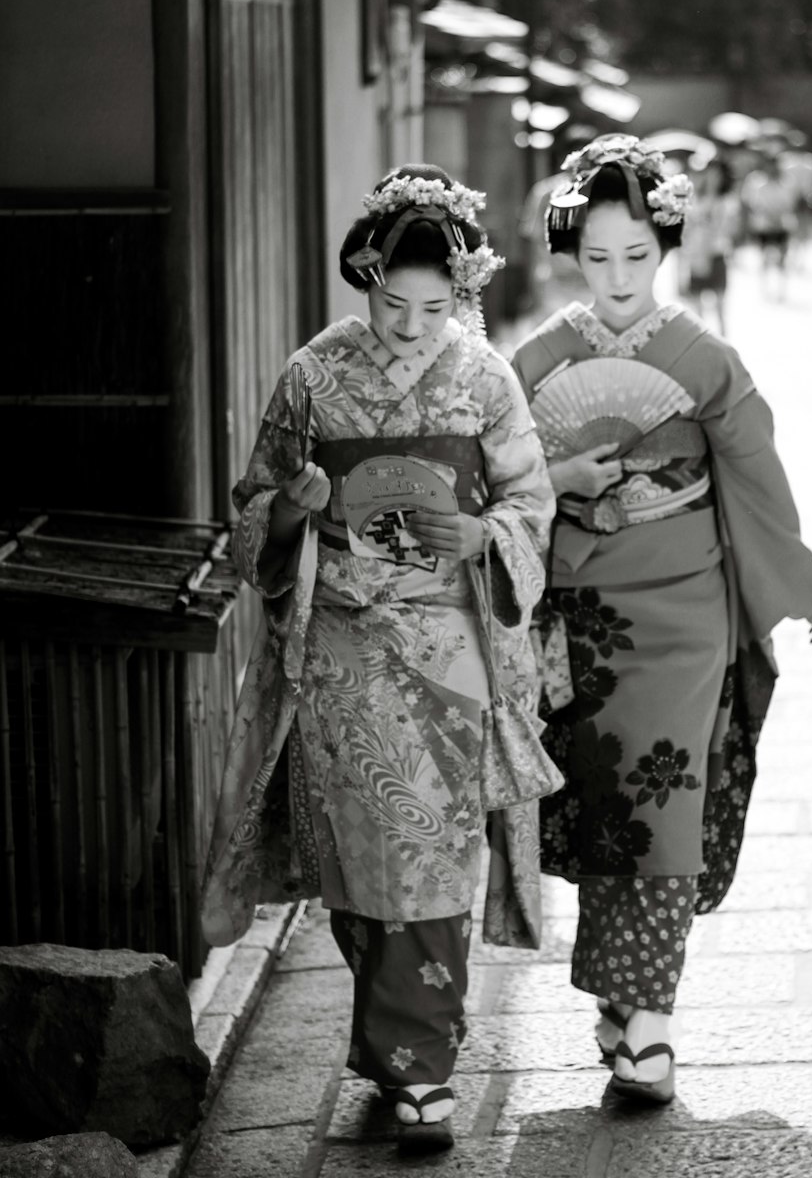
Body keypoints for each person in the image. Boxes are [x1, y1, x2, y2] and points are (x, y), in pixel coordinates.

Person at [200, 165, 556, 1151]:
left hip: (448, 645)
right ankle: (394, 1056)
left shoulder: (485, 377)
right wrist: (296, 507)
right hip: (344, 645)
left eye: (433, 307)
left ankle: (423, 1074)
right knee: (363, 866)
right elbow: (250, 509)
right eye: (392, 304)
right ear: (364, 281)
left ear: (462, 296)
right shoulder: (312, 376)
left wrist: (488, 537)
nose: (408, 326)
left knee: (430, 855)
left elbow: (531, 500)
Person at [511, 134, 812, 1106]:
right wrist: (556, 476)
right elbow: (496, 476)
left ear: (669, 246)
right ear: (574, 251)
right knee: (605, 809)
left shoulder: (703, 358)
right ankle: (621, 998)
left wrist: (800, 590)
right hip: (583, 614)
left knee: (667, 806)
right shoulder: (537, 358)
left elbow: (757, 479)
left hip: (686, 610)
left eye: (638, 257)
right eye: (598, 257)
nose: (617, 280)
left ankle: (650, 1021)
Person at [679, 155, 741, 335]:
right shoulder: (694, 199)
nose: (712, 177)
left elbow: (728, 229)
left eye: (717, 174)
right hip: (697, 256)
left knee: (720, 309)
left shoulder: (728, 201)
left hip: (716, 255)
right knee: (698, 310)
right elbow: (688, 229)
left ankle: (723, 344)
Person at [740, 150, 800, 299]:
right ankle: (765, 288)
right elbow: (750, 203)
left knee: (782, 259)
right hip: (763, 226)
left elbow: (791, 203)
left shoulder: (787, 182)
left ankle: (781, 290)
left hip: (782, 225)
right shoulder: (756, 182)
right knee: (764, 257)